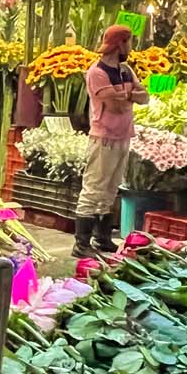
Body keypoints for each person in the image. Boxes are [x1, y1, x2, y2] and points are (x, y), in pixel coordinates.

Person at [73, 24, 149, 259]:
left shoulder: (126, 70)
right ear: (119, 44)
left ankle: (102, 237)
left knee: (111, 189)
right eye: (128, 42)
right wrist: (129, 96)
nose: (131, 47)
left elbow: (144, 97)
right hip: (103, 138)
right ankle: (81, 243)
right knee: (94, 189)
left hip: (123, 136)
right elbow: (115, 107)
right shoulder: (97, 72)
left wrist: (125, 95)